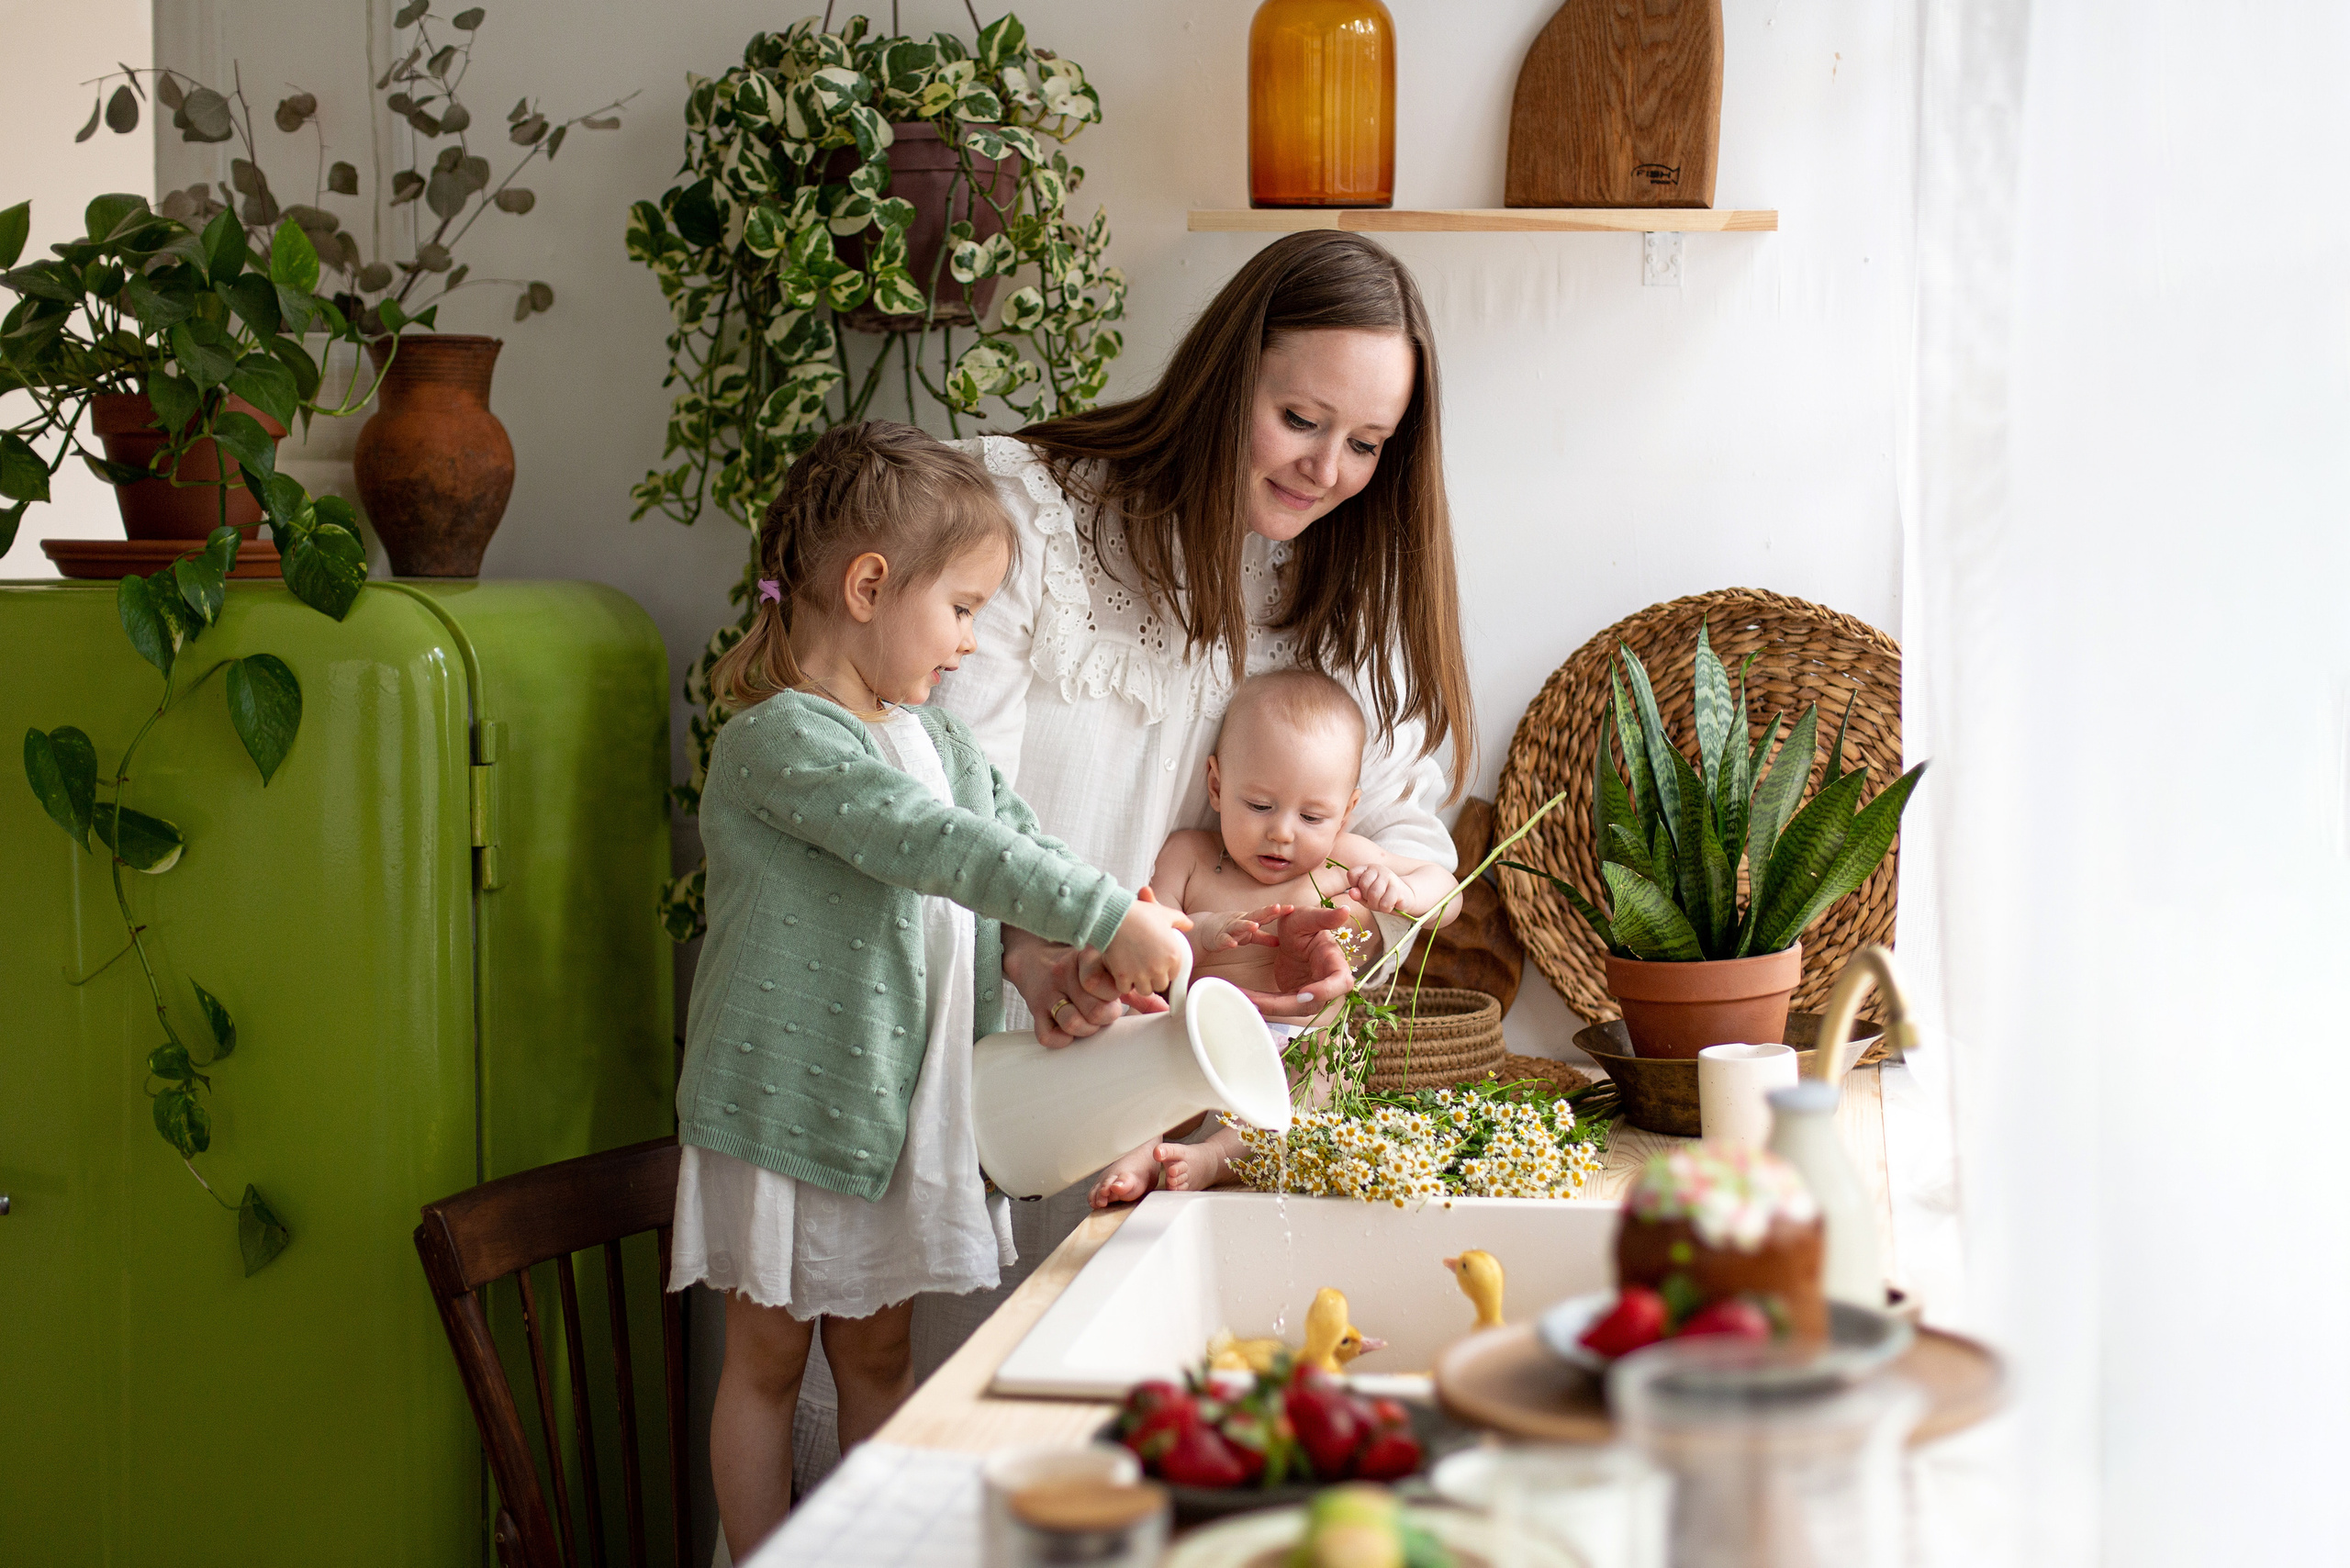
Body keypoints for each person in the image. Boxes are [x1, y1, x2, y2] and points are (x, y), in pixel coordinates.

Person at [924, 230, 1475, 1332]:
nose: (1326, 471)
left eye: (1367, 442)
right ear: (1230, 375)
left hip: (1186, 1118)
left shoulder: (1347, 578)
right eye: (1301, 420)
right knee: (950, 1418)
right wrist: (1037, 944)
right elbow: (938, 792)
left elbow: (1404, 839)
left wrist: (1342, 938)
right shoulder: (1025, 515)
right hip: (983, 1066)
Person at [667, 421, 1192, 1558]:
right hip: (783, 1107)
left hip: (893, 1111)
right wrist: (1103, 914)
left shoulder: (932, 737)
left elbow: (1010, 839)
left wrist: (1089, 941)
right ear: (869, 585)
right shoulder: (779, 742)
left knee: (879, 1360)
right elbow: (932, 845)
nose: (966, 642)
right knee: (761, 1367)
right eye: (961, 608)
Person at [1088, 669, 1466, 1204]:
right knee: (1147, 1061)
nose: (1282, 832)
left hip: (1296, 1045)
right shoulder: (1190, 857)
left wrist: (1401, 891)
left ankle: (1216, 1158)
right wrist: (1204, 934)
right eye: (1260, 806)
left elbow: (1450, 891)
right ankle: (1138, 1156)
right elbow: (1154, 936)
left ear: (1347, 812)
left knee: (1313, 1090)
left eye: (1313, 816)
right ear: (1216, 787)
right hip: (1199, 1034)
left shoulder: (1344, 859)